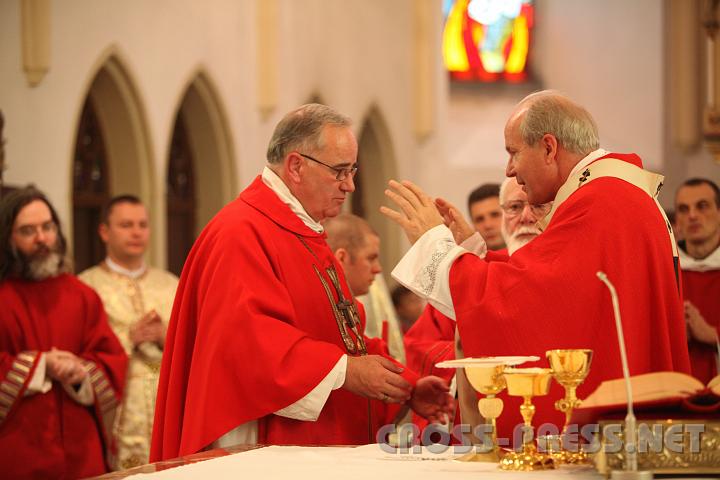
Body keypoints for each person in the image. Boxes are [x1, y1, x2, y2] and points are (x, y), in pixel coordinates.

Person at [151, 104, 453, 461]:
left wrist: (406, 384)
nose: (350, 185)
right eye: (340, 171)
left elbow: (346, 336)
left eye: (352, 170)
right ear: (296, 166)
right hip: (259, 445)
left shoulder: (304, 233)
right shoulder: (241, 233)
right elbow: (248, 344)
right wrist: (345, 371)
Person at [383, 90, 690, 440]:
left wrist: (433, 245)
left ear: (548, 147)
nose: (509, 169)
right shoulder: (614, 195)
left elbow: (525, 303)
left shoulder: (601, 203)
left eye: (513, 152)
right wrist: (471, 251)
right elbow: (546, 279)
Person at [0, 186, 127, 478]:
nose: (42, 238)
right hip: (19, 455)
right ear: (9, 239)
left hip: (82, 454)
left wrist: (82, 372)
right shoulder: (3, 298)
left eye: (47, 227)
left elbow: (112, 360)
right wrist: (41, 366)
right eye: (28, 231)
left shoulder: (82, 295)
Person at [402, 176, 546, 433]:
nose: (524, 217)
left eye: (534, 206)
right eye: (512, 208)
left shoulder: (553, 265)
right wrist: (464, 354)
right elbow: (419, 344)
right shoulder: (468, 273)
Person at [79, 195, 179, 470]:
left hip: (167, 410)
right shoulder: (85, 288)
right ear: (104, 231)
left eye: (142, 225)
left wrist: (164, 336)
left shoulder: (171, 284)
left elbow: (197, 346)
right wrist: (127, 338)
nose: (136, 232)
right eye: (126, 225)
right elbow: (80, 355)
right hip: (118, 413)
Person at [324, 213, 405, 362]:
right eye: (371, 258)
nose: (378, 269)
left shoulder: (353, 307)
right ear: (342, 258)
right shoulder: (322, 307)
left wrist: (416, 383)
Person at [675, 178, 720, 384]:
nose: (692, 215)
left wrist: (713, 336)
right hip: (675, 390)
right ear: (677, 222)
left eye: (702, 206)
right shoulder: (667, 272)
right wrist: (672, 335)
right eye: (683, 209)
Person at [467, 183, 505, 251]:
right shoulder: (467, 260)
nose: (488, 225)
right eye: (479, 219)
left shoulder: (529, 256)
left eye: (495, 215)